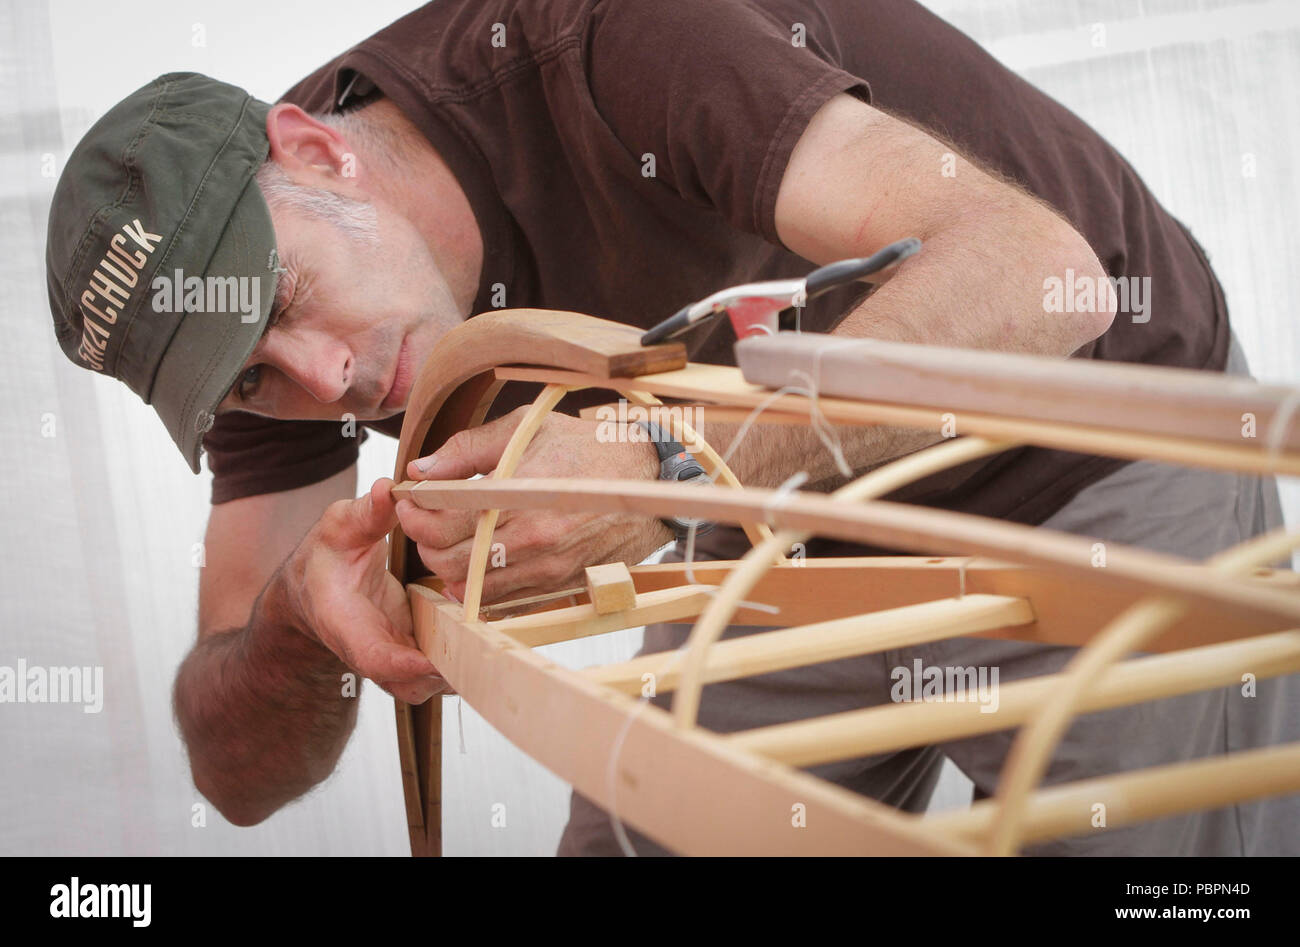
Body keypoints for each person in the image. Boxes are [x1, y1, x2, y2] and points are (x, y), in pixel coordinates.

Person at [45, 0, 1295, 854]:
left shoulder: (606, 39)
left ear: (313, 149)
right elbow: (234, 767)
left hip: (1080, 444)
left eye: (289, 303)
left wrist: (668, 461)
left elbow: (1035, 273)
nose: (326, 383)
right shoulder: (264, 336)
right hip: (779, 519)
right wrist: (302, 623)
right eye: (250, 380)